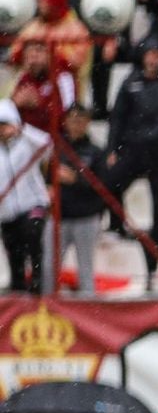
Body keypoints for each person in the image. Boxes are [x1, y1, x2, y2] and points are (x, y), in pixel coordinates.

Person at [103, 38, 158, 255]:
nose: (153, 59)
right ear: (143, 57)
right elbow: (118, 118)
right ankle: (117, 224)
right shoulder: (130, 84)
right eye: (150, 54)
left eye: (157, 54)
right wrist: (111, 149)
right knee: (109, 181)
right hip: (135, 148)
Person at [45, 105, 105, 294]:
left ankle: (88, 308)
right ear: (66, 122)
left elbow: (103, 186)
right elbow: (47, 179)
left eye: (81, 120)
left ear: (88, 123)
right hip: (59, 216)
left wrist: (76, 180)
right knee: (48, 267)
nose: (77, 124)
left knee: (85, 268)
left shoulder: (95, 152)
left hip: (85, 217)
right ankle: (48, 306)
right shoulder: (56, 149)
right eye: (73, 119)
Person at [15, 0, 94, 105]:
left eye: (44, 1)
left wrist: (48, 57)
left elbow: (77, 62)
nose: (40, 4)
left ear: (55, 3)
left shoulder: (76, 29)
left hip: (62, 89)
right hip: (32, 87)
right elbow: (15, 55)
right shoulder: (33, 26)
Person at [0, 99, 50, 292]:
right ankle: (18, 289)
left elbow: (47, 145)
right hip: (6, 211)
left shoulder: (27, 143)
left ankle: (38, 282)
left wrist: (23, 130)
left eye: (5, 125)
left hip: (32, 203)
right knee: (14, 253)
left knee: (32, 234)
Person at [10, 37, 74, 133]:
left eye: (38, 51)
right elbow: (7, 113)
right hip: (23, 136)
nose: (33, 57)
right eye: (29, 53)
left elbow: (69, 116)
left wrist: (39, 104)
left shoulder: (63, 77)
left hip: (54, 138)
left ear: (49, 55)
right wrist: (14, 104)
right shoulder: (23, 78)